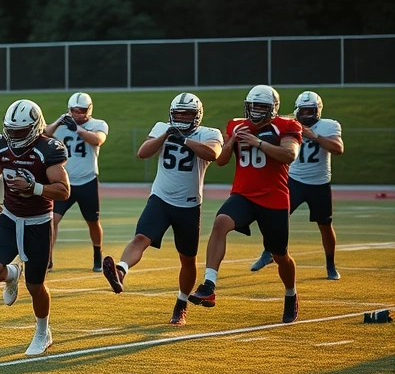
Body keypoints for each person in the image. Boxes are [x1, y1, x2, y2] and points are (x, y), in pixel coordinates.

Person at [101, 93, 223, 325]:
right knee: (140, 238)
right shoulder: (162, 128)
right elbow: (143, 152)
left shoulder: (209, 133)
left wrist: (184, 140)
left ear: (197, 116)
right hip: (160, 198)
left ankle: (181, 304)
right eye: (178, 114)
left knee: (187, 260)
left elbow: (214, 154)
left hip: (188, 205)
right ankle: (120, 270)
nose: (182, 118)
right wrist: (167, 134)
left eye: (187, 114)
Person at [188, 85, 303, 323]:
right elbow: (221, 161)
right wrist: (230, 143)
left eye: (261, 106)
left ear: (273, 108)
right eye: (253, 106)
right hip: (244, 195)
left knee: (280, 256)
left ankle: (291, 294)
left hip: (274, 198)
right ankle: (209, 285)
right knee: (220, 222)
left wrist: (258, 142)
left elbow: (289, 155)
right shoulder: (236, 124)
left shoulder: (287, 126)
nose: (256, 111)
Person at [0, 99, 69, 356]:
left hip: (39, 223)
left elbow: (64, 191)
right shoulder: (1, 145)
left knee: (36, 286)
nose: (14, 136)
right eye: (11, 130)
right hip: (10, 217)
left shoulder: (48, 150)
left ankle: (43, 331)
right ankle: (11, 273)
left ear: (34, 128)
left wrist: (35, 188)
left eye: (20, 131)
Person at [250, 91, 344, 280]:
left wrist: (314, 136)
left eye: (311, 110)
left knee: (325, 225)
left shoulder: (329, 125)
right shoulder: (289, 123)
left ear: (318, 110)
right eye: (304, 111)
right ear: (297, 110)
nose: (307, 115)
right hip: (293, 180)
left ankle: (330, 265)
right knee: (275, 216)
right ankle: (267, 252)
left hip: (319, 183)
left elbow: (338, 149)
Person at [44, 92, 109, 271]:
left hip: (87, 180)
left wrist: (77, 129)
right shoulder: (63, 125)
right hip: (64, 182)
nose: (78, 114)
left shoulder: (98, 124)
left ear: (89, 110)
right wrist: (59, 121)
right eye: (74, 111)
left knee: (93, 221)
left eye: (81, 110)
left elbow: (98, 140)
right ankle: (47, 257)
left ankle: (97, 253)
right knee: (52, 220)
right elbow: (43, 134)